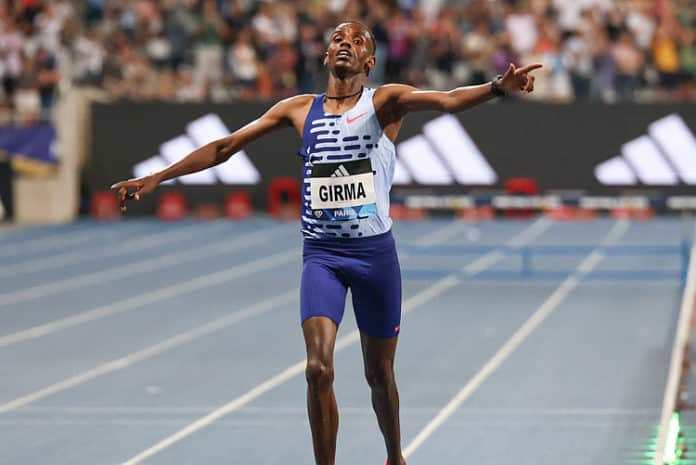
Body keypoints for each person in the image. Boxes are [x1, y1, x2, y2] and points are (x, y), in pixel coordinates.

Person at [111, 21, 541, 465]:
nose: (345, 45)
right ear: (324, 54)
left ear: (369, 62)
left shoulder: (385, 102)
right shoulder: (298, 109)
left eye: (357, 42)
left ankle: (395, 456)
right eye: (338, 39)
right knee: (318, 369)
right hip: (323, 257)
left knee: (379, 374)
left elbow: (447, 101)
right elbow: (226, 147)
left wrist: (497, 87)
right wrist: (156, 177)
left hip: (375, 257)